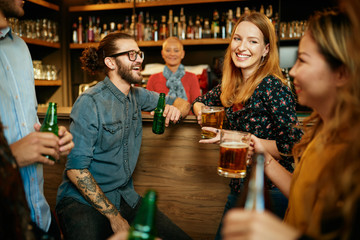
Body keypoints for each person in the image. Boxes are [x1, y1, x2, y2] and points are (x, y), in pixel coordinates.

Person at [221, 8, 360, 240]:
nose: (293, 70)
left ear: (342, 72)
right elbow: (301, 194)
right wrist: (262, 158)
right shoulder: (323, 132)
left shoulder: (351, 150)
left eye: (302, 60)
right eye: (237, 38)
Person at [56, 32, 192, 240]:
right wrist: (114, 217)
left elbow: (182, 102)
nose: (139, 60)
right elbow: (76, 170)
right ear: (110, 62)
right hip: (81, 202)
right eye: (131, 55)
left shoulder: (138, 95)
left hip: (124, 195)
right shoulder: (89, 102)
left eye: (139, 54)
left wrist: (177, 111)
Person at [191, 12, 302, 238]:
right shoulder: (232, 85)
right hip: (239, 189)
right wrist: (201, 113)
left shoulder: (274, 88)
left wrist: (233, 137)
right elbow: (199, 101)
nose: (242, 47)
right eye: (237, 38)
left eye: (253, 41)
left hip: (271, 194)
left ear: (266, 49)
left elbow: (292, 146)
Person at [0, 0, 74, 238]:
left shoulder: (20, 46)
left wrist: (46, 137)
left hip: (39, 215)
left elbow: (22, 121)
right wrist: (10, 157)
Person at [146, 36, 201, 104]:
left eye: (176, 50)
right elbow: (148, 106)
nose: (172, 54)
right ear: (162, 53)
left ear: (182, 54)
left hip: (187, 115)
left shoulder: (192, 77)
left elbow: (197, 105)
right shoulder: (153, 78)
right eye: (168, 50)